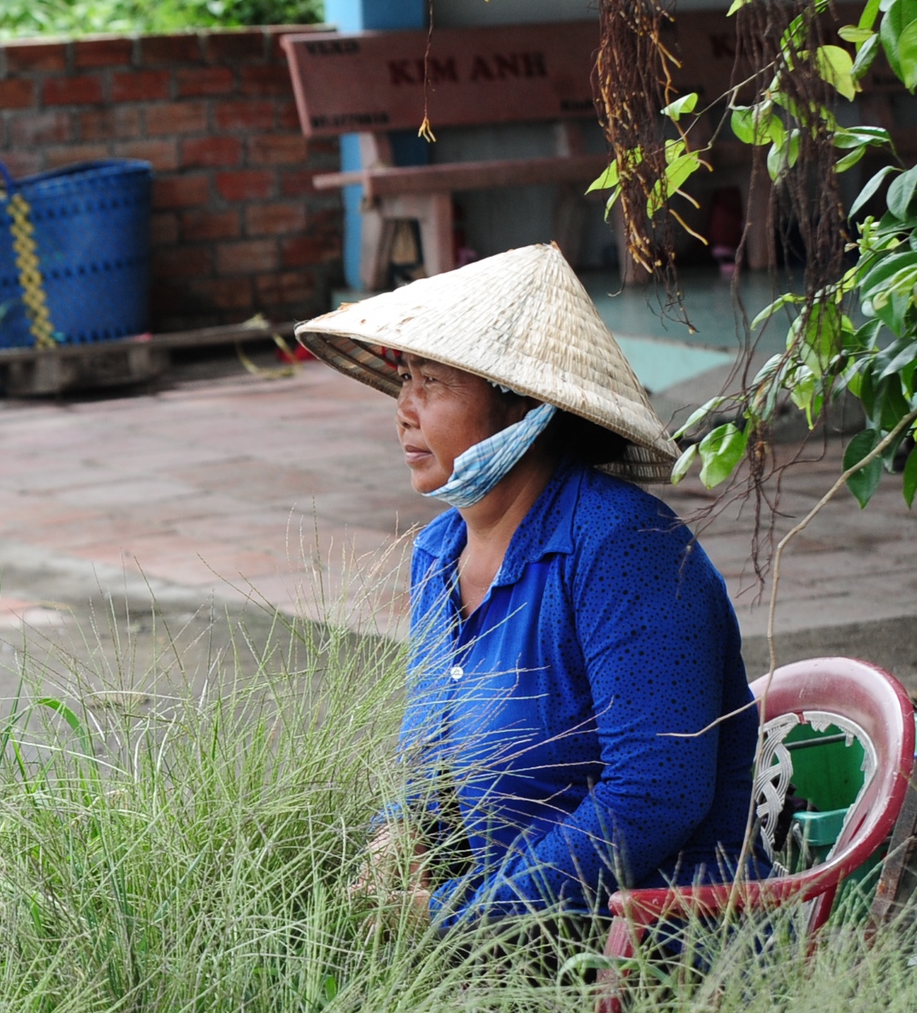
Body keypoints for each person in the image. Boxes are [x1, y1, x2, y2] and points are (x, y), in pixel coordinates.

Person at [299, 245, 764, 929]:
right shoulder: (437, 554)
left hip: (642, 950)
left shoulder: (624, 549)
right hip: (502, 941)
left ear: (526, 406)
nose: (403, 410)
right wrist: (396, 835)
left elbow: (654, 796)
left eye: (432, 382)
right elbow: (435, 762)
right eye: (405, 380)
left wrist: (456, 916)